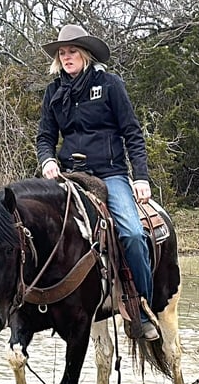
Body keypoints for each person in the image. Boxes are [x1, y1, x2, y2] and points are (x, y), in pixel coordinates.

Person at [35, 24, 159, 341]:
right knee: (33, 225)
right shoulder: (53, 92)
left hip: (110, 172)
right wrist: (47, 160)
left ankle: (140, 306)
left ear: (85, 54)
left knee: (131, 233)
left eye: (72, 51)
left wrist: (141, 177)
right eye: (62, 53)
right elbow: (45, 138)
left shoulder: (110, 85)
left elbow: (133, 133)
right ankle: (38, 301)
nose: (67, 57)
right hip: (67, 174)